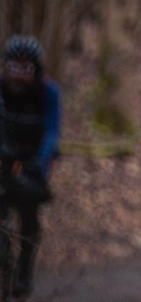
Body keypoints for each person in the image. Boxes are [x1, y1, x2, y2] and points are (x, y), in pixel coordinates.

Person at [0, 35, 61, 297]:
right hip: (3, 156)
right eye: (14, 67)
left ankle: (24, 272)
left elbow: (51, 131)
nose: (19, 75)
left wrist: (41, 163)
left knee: (29, 217)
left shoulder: (47, 91)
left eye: (26, 69)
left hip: (32, 161)